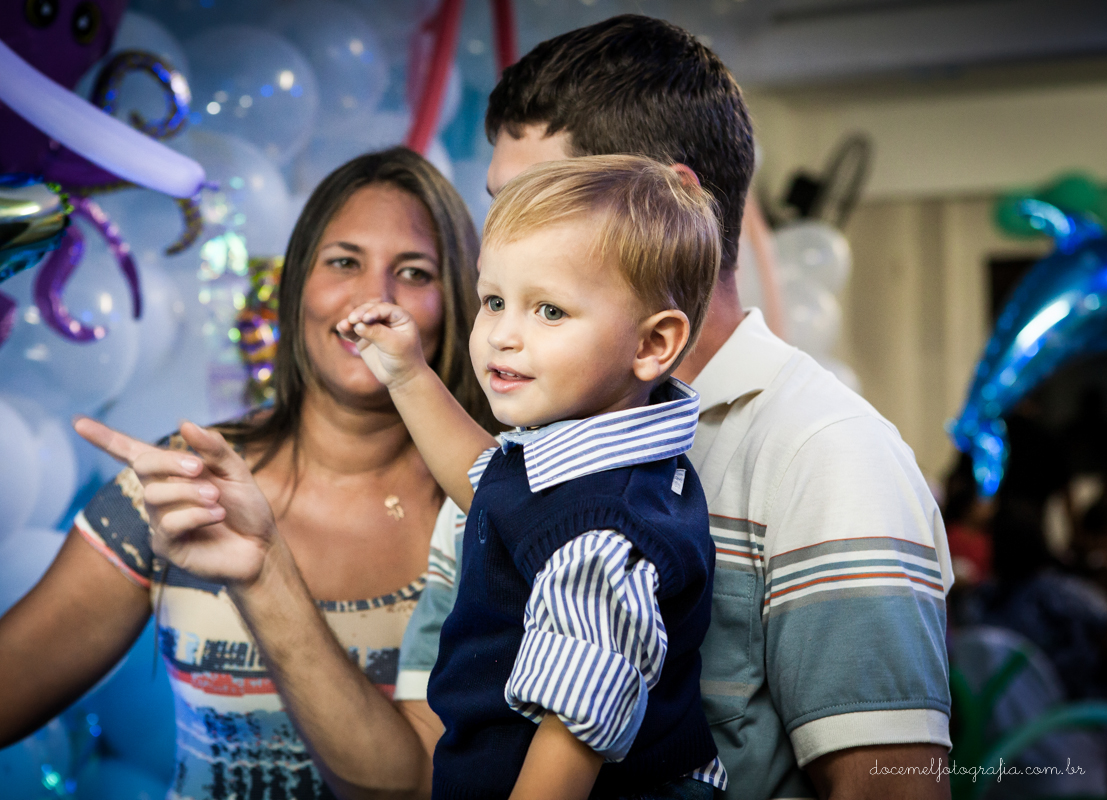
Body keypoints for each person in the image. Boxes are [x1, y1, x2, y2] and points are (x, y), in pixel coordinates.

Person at [396, 16, 955, 800]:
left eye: (540, 201)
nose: (505, 236)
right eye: (501, 210)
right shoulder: (523, 444)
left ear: (674, 202)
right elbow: (427, 746)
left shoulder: (826, 452)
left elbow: (889, 790)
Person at [0, 147, 489, 800]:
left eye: (413, 272)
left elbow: (413, 787)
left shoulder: (484, 506)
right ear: (297, 282)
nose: (373, 299)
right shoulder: (185, 485)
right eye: (344, 262)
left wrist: (264, 573)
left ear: (454, 305)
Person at [337, 155, 724, 799]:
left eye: (548, 311)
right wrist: (408, 375)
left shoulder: (603, 533)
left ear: (652, 345)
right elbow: (490, 488)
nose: (503, 336)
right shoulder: (584, 466)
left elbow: (571, 732)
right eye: (493, 301)